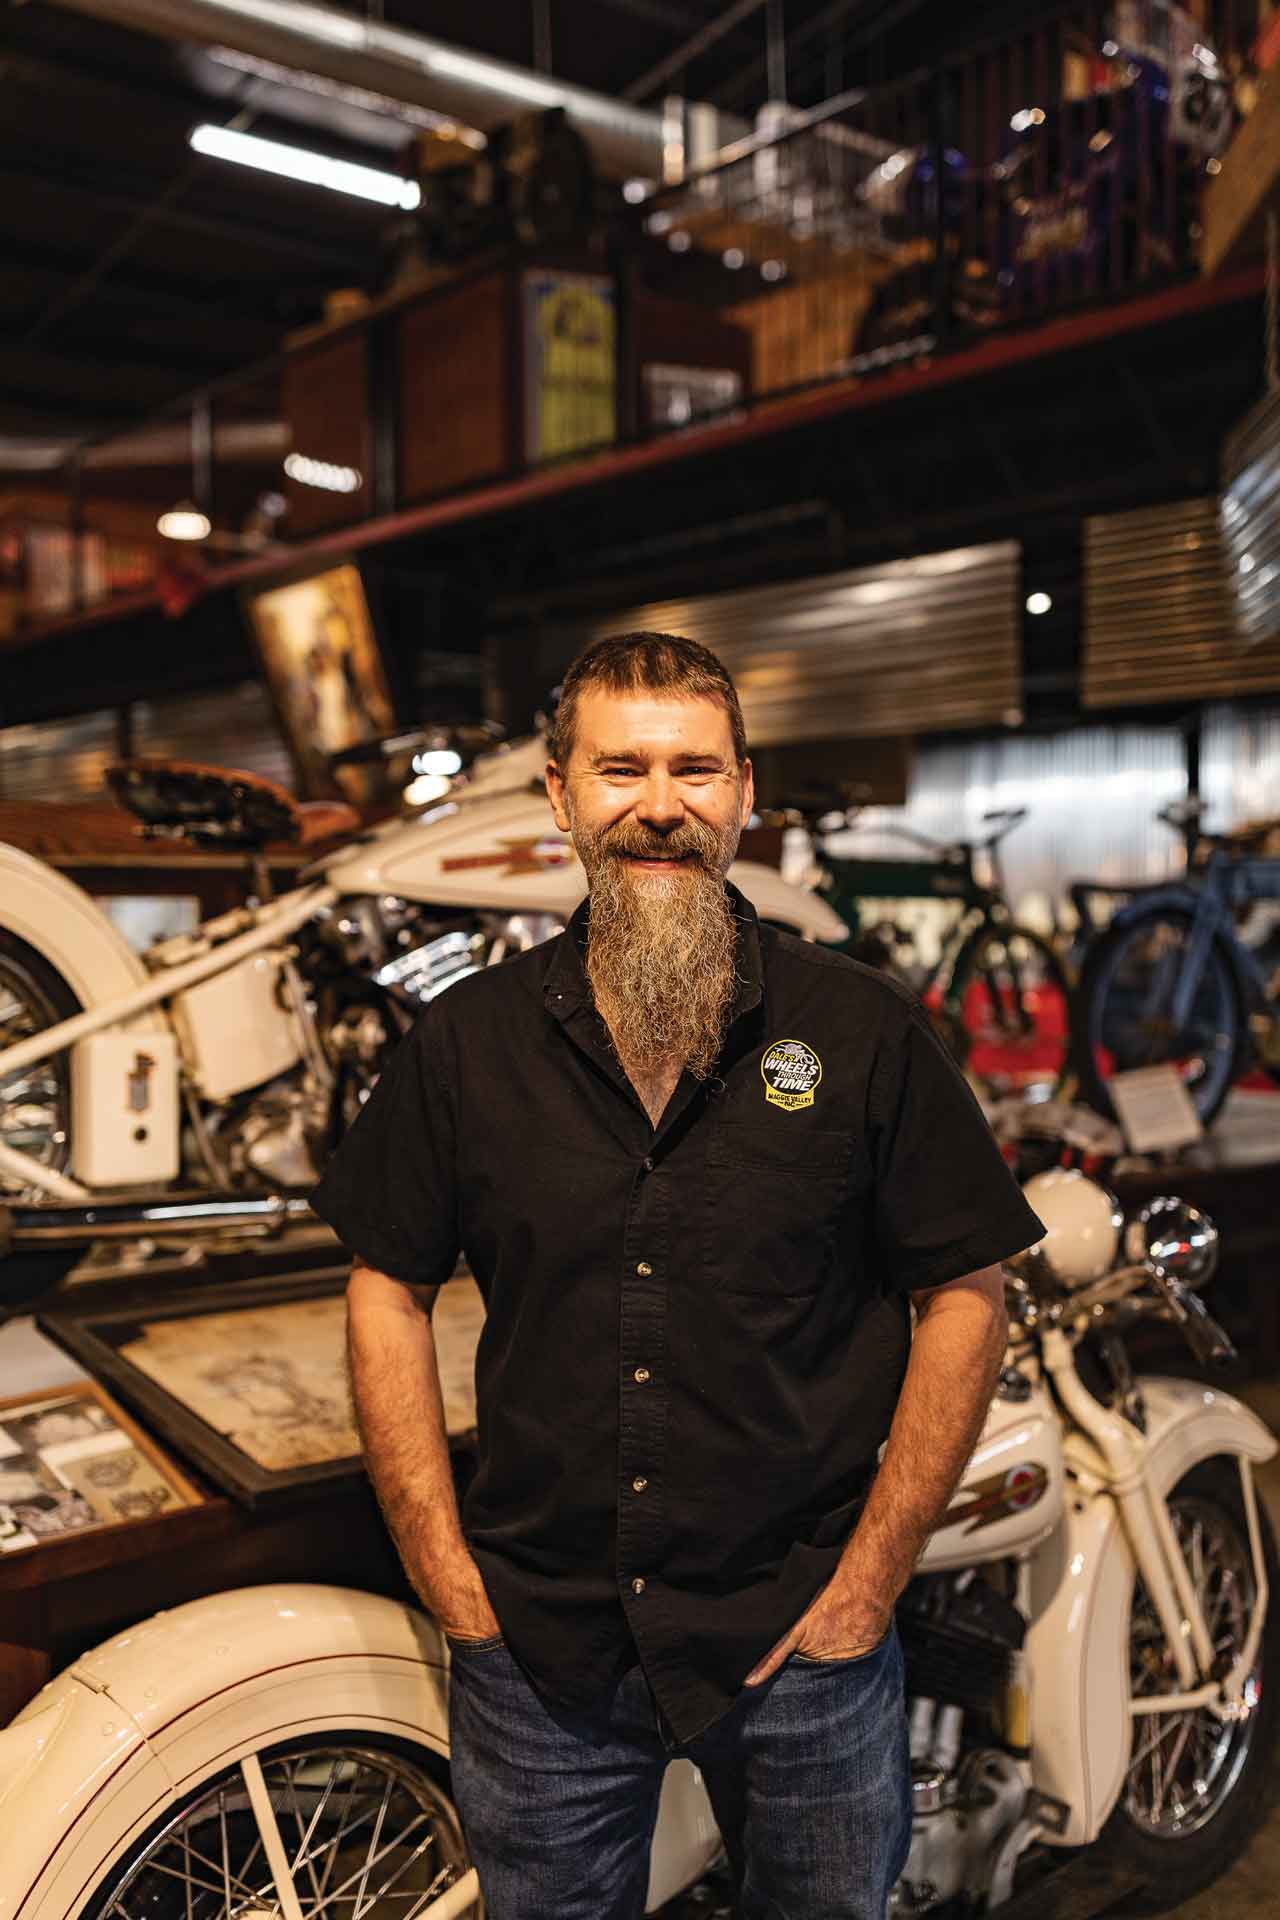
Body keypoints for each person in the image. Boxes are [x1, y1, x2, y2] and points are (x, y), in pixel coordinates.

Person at [311, 631, 1045, 1920]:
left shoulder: (860, 1031)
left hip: (805, 1636)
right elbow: (387, 1284)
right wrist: (449, 1580)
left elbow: (967, 1291)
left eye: (695, 770)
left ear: (745, 792)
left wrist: (868, 1585)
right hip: (539, 1648)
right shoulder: (465, 1047)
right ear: (560, 796)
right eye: (621, 770)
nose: (661, 808)